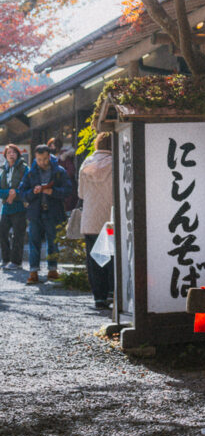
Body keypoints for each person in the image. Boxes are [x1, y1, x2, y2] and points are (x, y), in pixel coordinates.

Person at [18, 144, 72, 285]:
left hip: (53, 212)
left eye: (44, 159)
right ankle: (33, 272)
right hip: (35, 212)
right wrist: (32, 193)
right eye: (39, 159)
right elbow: (22, 193)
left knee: (52, 242)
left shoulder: (59, 171)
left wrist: (52, 192)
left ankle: (52, 270)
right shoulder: (30, 173)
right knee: (33, 242)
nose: (42, 162)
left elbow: (68, 190)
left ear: (49, 156)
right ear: (35, 158)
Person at [78, 132, 114, 311]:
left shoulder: (86, 163)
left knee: (94, 259)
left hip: (91, 219)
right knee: (112, 256)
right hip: (111, 219)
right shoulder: (117, 162)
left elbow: (81, 194)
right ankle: (113, 294)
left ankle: (99, 298)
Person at [0, 144, 28, 268]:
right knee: (2, 232)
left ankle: (16, 262)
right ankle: (5, 259)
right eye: (8, 153)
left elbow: (26, 186)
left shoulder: (24, 168)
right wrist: (8, 194)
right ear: (5, 156)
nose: (11, 155)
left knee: (18, 235)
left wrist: (14, 194)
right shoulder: (3, 170)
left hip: (20, 207)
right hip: (6, 207)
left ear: (17, 154)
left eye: (13, 152)